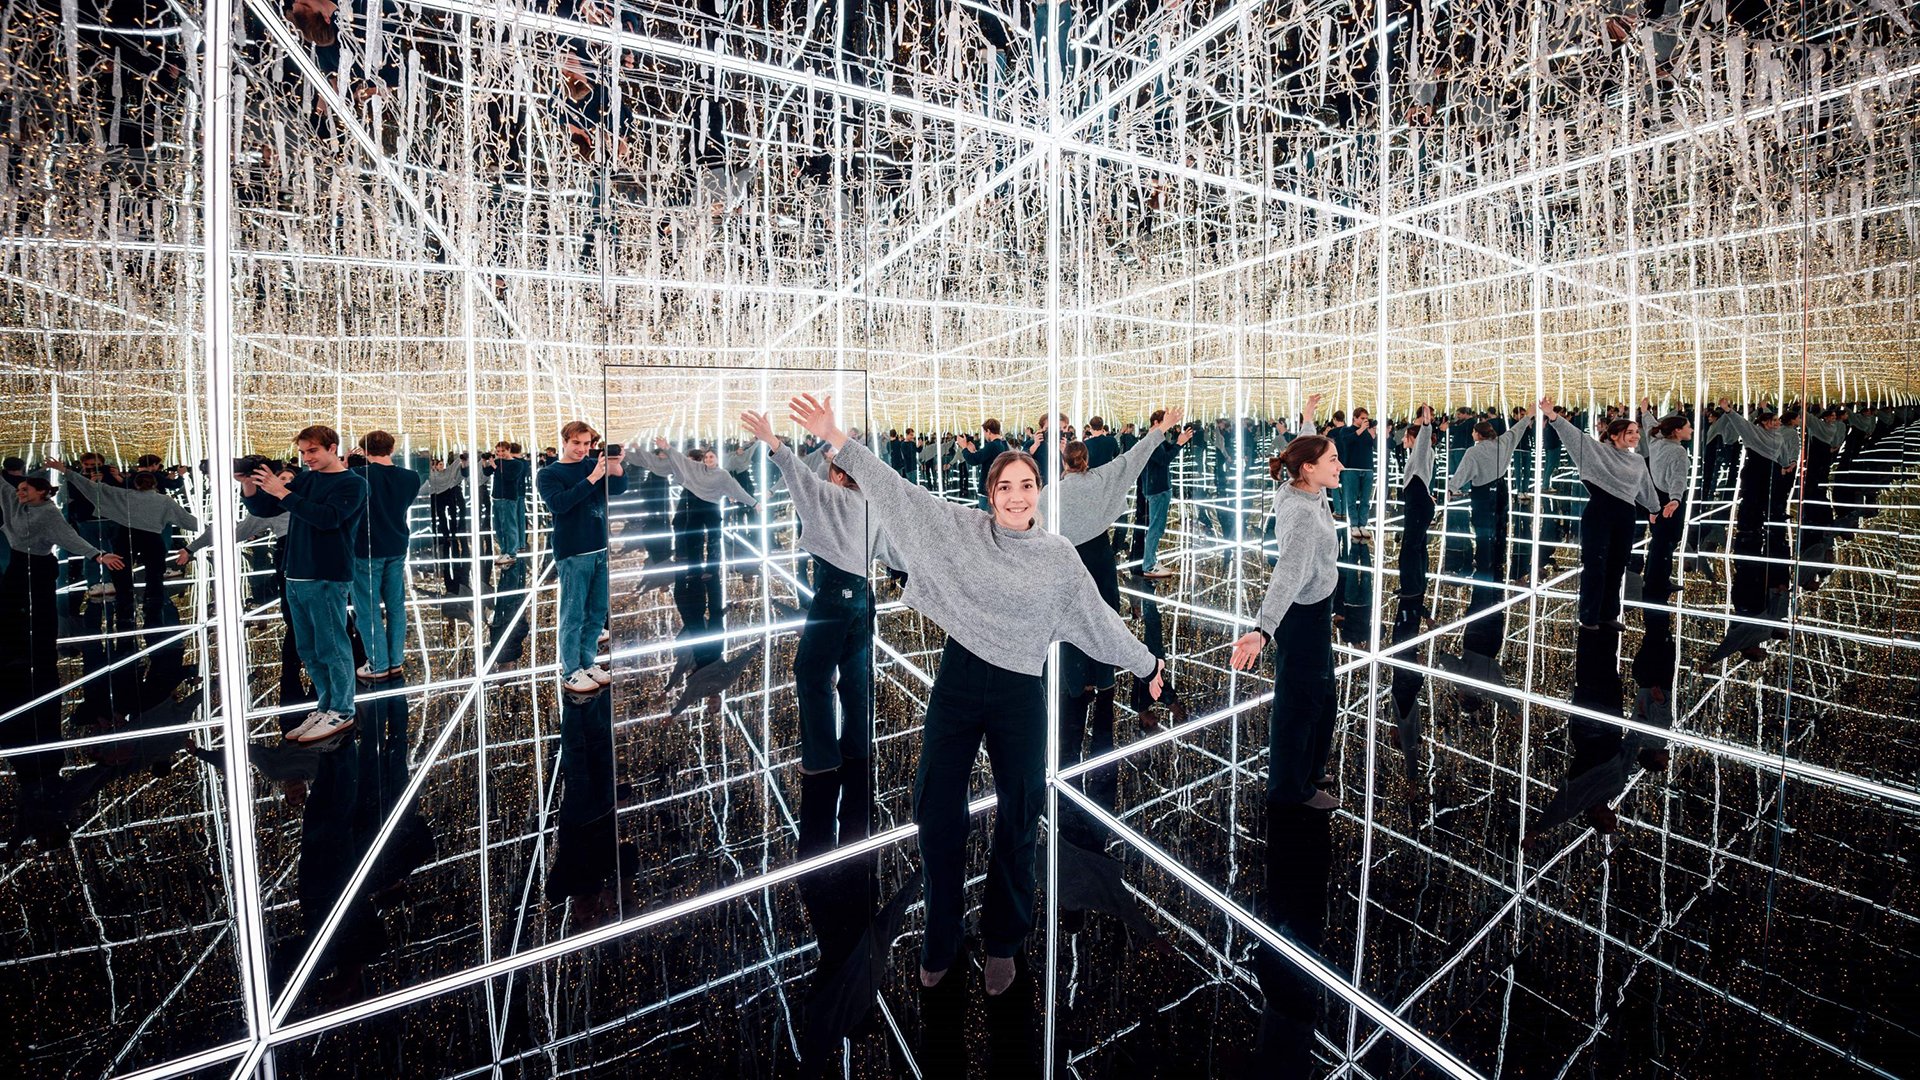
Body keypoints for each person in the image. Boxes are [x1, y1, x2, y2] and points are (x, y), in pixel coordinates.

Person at [786, 392, 1162, 1004]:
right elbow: (901, 496)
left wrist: (1148, 664)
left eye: (1027, 484)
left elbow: (1098, 620)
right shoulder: (963, 531)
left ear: (1040, 489)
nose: (1017, 495)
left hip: (1019, 691)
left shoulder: (1058, 557)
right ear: (991, 493)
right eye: (1006, 486)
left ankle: (1003, 942)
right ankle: (941, 933)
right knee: (936, 811)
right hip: (959, 683)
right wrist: (839, 440)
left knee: (1019, 815)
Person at [739, 411, 885, 817]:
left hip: (833, 599)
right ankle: (856, 747)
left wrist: (772, 440)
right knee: (855, 678)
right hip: (862, 596)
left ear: (837, 475)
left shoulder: (828, 498)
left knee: (811, 672)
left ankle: (822, 759)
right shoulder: (873, 503)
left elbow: (796, 474)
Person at [1053, 408, 1183, 756]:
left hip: (1070, 560)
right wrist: (1161, 430)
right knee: (1107, 618)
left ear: (1064, 462)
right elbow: (1133, 458)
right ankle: (1105, 676)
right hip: (1100, 557)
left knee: (1072, 621)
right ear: (1087, 460)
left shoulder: (1053, 493)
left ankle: (1076, 681)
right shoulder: (1101, 479)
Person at [1230, 414, 1341, 811]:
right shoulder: (1302, 517)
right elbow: (1287, 576)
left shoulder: (1301, 487)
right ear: (1310, 469)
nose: (1339, 465)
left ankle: (1309, 768)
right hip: (1302, 615)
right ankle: (1291, 789)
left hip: (1316, 608)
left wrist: (1309, 421)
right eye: (1333, 459)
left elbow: (1303, 453)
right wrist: (1262, 630)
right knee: (1301, 703)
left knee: (1324, 696)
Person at [1, 471, 126, 793]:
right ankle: (20, 651)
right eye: (20, 489)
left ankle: (38, 649)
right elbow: (3, 489)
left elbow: (70, 539)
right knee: (12, 610)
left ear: (43, 492)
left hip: (39, 566)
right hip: (18, 564)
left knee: (39, 614)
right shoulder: (17, 505)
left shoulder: (49, 514)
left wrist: (97, 555)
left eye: (26, 490)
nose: (20, 494)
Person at [243, 425, 369, 743]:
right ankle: (325, 706)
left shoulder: (353, 484)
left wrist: (283, 492)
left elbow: (326, 518)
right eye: (302, 452)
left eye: (312, 451)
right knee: (308, 648)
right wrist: (249, 484)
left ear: (331, 448)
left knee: (331, 645)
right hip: (296, 572)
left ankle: (342, 710)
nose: (306, 457)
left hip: (326, 574)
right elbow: (265, 508)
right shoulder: (306, 478)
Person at [1542, 400, 1667, 631]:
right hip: (1599, 512)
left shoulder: (1638, 460)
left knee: (1617, 566)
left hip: (1625, 515)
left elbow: (1646, 488)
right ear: (1615, 435)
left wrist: (1655, 509)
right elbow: (1574, 437)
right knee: (1595, 565)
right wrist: (1553, 417)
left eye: (1636, 432)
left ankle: (1608, 614)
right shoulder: (1596, 451)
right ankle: (1589, 617)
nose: (1635, 436)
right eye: (1630, 432)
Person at [47, 456, 201, 625]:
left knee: (122, 571)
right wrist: (212, 529)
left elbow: (90, 487)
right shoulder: (164, 500)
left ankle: (125, 603)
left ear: (135, 484)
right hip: (152, 538)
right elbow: (188, 520)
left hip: (127, 535)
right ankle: (153, 605)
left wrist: (65, 471)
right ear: (154, 485)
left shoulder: (124, 495)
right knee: (155, 573)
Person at [537, 422, 626, 693]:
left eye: (587, 444)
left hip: (600, 547)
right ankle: (571, 669)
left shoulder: (592, 465)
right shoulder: (549, 473)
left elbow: (619, 488)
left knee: (597, 612)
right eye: (577, 443)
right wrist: (592, 479)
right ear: (564, 441)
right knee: (573, 614)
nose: (582, 449)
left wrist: (616, 466)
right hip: (573, 551)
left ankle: (587, 662)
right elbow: (558, 504)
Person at [1713, 399, 1801, 615]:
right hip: (1755, 470)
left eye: (1776, 421)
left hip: (1769, 471)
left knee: (1762, 500)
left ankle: (1754, 525)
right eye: (1772, 421)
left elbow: (1779, 453)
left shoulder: (1778, 435)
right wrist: (1728, 410)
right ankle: (1747, 526)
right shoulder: (1754, 433)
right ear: (1764, 423)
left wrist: (1785, 465)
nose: (1776, 424)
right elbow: (1741, 424)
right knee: (1751, 500)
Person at [350, 431, 424, 682]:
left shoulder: (357, 476)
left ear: (364, 450)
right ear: (392, 449)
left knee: (367, 608)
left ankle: (378, 663)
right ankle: (395, 661)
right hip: (397, 544)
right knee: (396, 605)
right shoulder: (411, 477)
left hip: (366, 548)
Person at [1446, 404, 1534, 578]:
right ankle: (1498, 558)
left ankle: (1484, 559)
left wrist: (1451, 488)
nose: (1472, 434)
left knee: (1482, 528)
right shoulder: (1503, 442)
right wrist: (1528, 417)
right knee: (1500, 525)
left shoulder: (1473, 452)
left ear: (1478, 434)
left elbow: (1463, 472)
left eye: (1473, 432)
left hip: (1482, 493)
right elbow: (1516, 430)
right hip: (1501, 489)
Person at [1639, 413, 1692, 602]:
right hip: (1670, 499)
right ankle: (1658, 581)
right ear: (1677, 431)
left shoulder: (1655, 441)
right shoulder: (1678, 451)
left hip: (1656, 495)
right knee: (1667, 541)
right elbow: (1678, 478)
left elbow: (1650, 425)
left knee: (1659, 540)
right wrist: (1676, 499)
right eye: (1688, 426)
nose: (1691, 430)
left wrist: (1645, 413)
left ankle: (1654, 578)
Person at [1136, 410, 1193, 579]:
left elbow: (1166, 452)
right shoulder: (1151, 440)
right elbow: (1164, 460)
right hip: (1157, 489)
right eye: (1167, 422)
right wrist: (1179, 444)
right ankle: (1149, 565)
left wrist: (1178, 442)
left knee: (1157, 527)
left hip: (1158, 487)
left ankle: (1151, 560)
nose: (1170, 426)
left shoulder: (1156, 438)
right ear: (1156, 422)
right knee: (1156, 527)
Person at [1398, 406, 1438, 599]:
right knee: (1417, 545)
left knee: (1410, 547)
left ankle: (1411, 587)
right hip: (1420, 502)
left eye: (1406, 436)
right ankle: (1416, 584)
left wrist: (1426, 424)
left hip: (1418, 504)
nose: (1403, 439)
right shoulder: (1422, 455)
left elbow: (1424, 439)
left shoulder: (1422, 451)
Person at [486, 441, 529, 567]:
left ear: (508, 450)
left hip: (509, 498)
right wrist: (486, 463)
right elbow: (486, 473)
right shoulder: (498, 462)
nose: (500, 454)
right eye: (498, 451)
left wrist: (495, 467)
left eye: (503, 451)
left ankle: (511, 553)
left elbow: (509, 477)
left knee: (510, 526)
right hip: (497, 497)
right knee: (499, 527)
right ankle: (504, 550)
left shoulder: (517, 464)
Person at [956, 419, 1009, 511]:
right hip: (998, 488)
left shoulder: (992, 445)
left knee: (985, 522)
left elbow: (973, 460)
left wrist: (964, 447)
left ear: (988, 431)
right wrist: (974, 452)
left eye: (984, 432)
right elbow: (986, 459)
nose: (984, 435)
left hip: (987, 491)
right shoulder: (1004, 445)